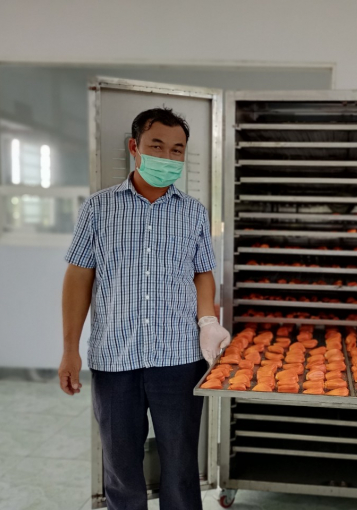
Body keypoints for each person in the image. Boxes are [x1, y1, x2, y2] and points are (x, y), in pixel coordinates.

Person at [57, 107, 230, 510]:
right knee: (120, 467)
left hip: (179, 356)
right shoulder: (99, 209)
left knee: (181, 463)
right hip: (115, 357)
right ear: (135, 148)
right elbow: (78, 279)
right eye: (157, 146)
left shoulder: (193, 213)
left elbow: (204, 272)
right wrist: (70, 348)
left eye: (177, 150)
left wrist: (207, 320)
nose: (167, 157)